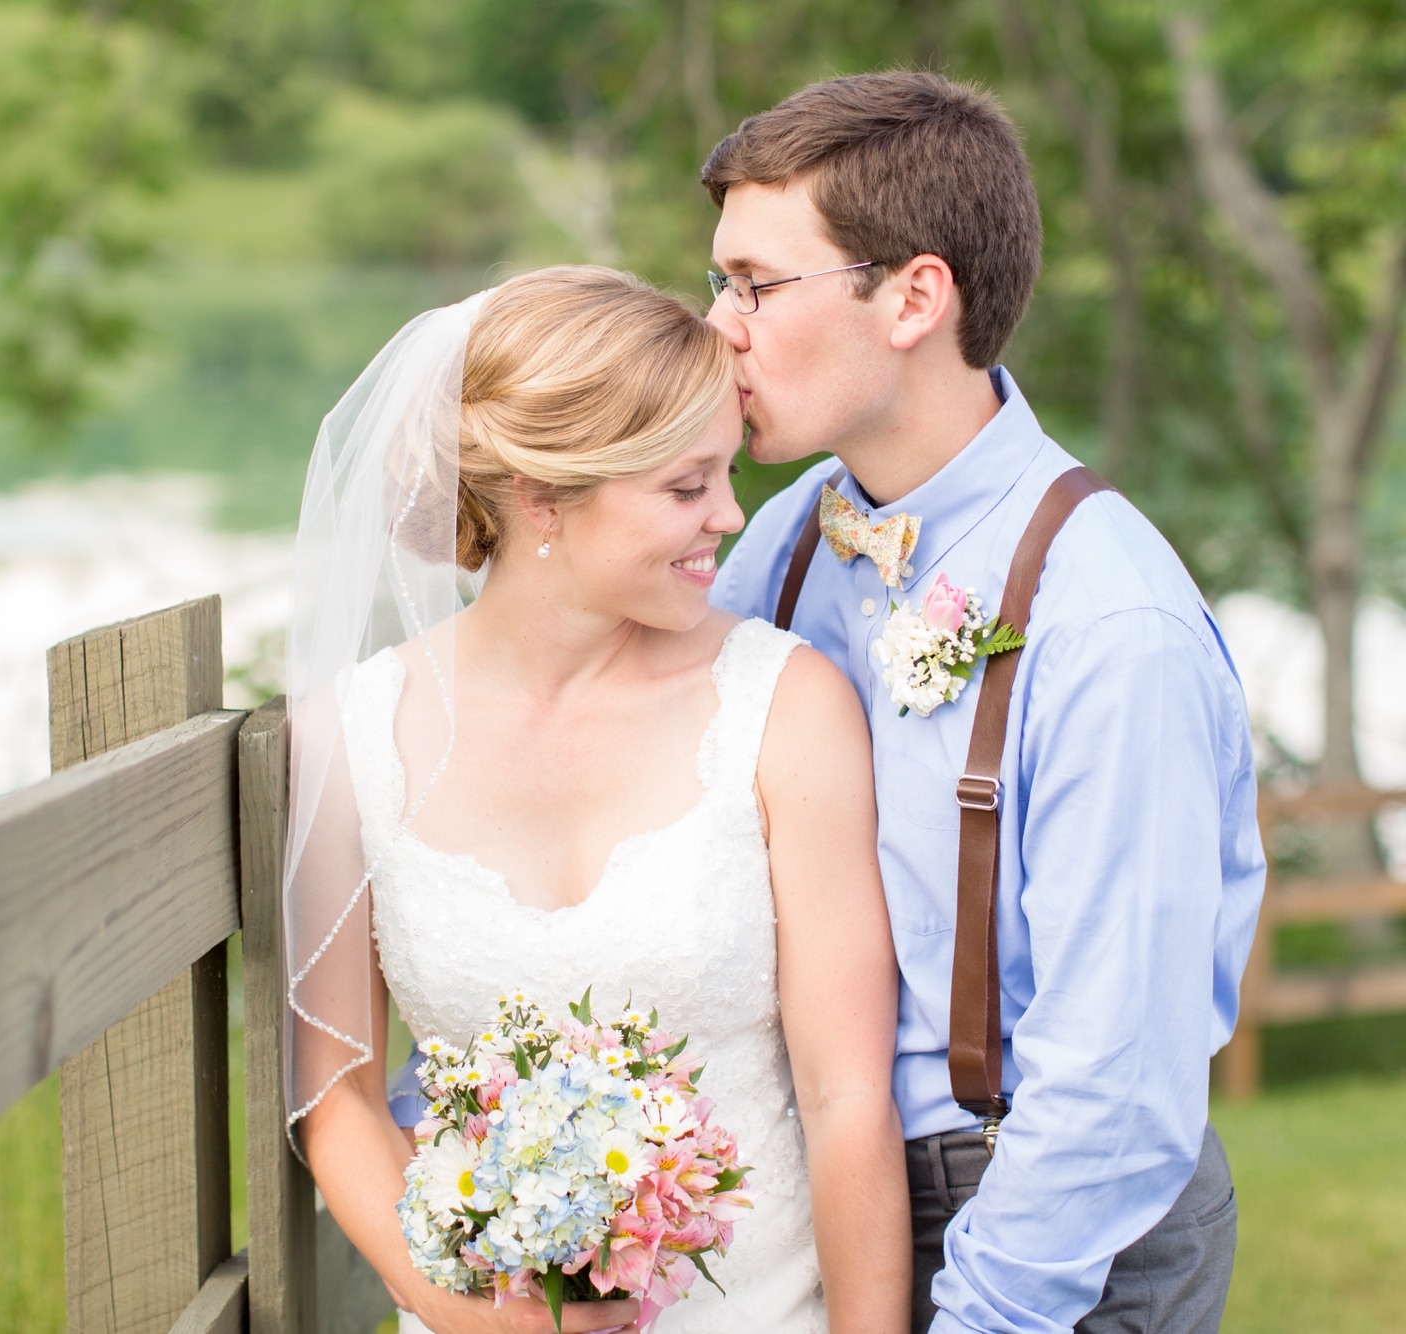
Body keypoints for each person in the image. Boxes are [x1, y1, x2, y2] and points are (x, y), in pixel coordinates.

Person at [701, 72, 1266, 1334]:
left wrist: (986, 1313)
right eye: (718, 283)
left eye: (754, 285)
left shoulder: (1111, 623)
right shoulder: (781, 536)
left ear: (912, 295)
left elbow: (1111, 1082)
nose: (718, 326)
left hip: (1047, 1222)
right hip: (817, 1190)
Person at [282, 266, 911, 1334]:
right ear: (541, 498)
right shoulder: (348, 737)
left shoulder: (784, 704)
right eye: (685, 486)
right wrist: (473, 1313)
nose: (728, 514)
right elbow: (334, 1091)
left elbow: (848, 1096)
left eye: (723, 474)